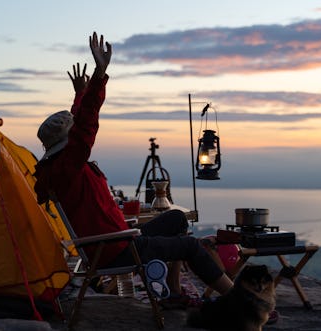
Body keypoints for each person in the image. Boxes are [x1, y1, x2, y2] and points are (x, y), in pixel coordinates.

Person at [34, 32, 233, 304]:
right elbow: (84, 127)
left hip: (112, 242)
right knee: (189, 246)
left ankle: (174, 292)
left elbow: (78, 127)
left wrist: (81, 95)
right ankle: (241, 301)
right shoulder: (68, 165)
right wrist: (99, 73)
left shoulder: (59, 167)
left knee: (176, 219)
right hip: (117, 248)